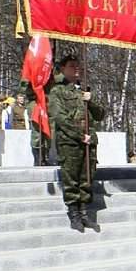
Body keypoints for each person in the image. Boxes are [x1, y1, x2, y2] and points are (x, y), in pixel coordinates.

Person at [46, 56, 105, 233]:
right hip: (70, 142)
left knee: (86, 177)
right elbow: (60, 118)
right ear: (63, 69)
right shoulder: (58, 91)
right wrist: (81, 136)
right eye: (72, 66)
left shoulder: (84, 90)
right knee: (71, 178)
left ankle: (85, 214)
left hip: (88, 142)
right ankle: (74, 215)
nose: (77, 68)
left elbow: (100, 114)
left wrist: (90, 100)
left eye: (78, 65)